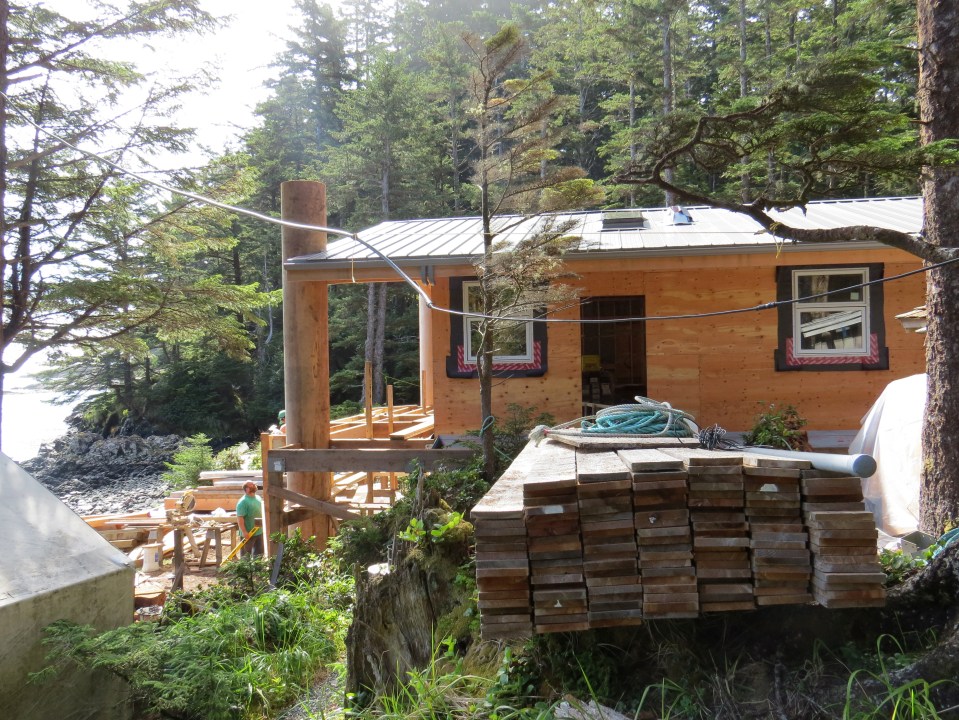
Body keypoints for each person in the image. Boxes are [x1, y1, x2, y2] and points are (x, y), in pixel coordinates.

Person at [236, 481, 264, 556]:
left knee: (259, 554)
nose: (254, 485)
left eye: (254, 484)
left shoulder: (258, 498)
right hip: (248, 532)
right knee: (246, 555)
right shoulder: (243, 502)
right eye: (252, 485)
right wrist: (244, 532)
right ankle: (245, 568)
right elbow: (240, 518)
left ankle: (257, 567)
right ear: (247, 489)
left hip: (259, 531)